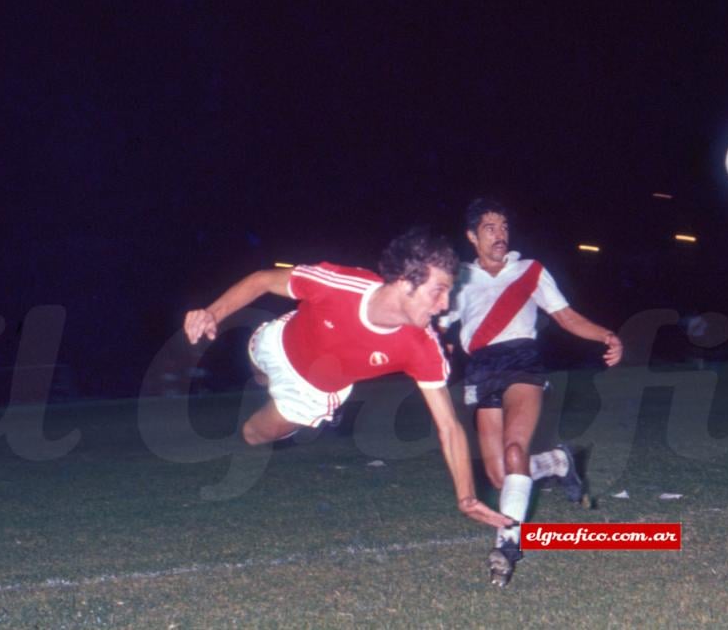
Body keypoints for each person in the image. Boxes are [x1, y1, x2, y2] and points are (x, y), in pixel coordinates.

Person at [183, 227, 511, 530]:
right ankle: (265, 380)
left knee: (253, 434)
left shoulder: (423, 348)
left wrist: (466, 497)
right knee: (257, 364)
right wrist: (212, 313)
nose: (445, 305)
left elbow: (450, 426)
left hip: (311, 393)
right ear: (403, 281)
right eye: (438, 291)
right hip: (277, 340)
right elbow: (262, 280)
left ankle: (294, 407)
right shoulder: (339, 284)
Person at [443, 198, 623, 586]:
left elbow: (564, 315)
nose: (500, 234)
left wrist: (606, 335)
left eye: (504, 226)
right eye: (490, 228)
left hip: (522, 362)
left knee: (513, 452)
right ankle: (557, 463)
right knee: (498, 477)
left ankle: (508, 546)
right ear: (472, 236)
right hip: (480, 370)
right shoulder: (460, 278)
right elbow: (440, 323)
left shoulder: (530, 270)